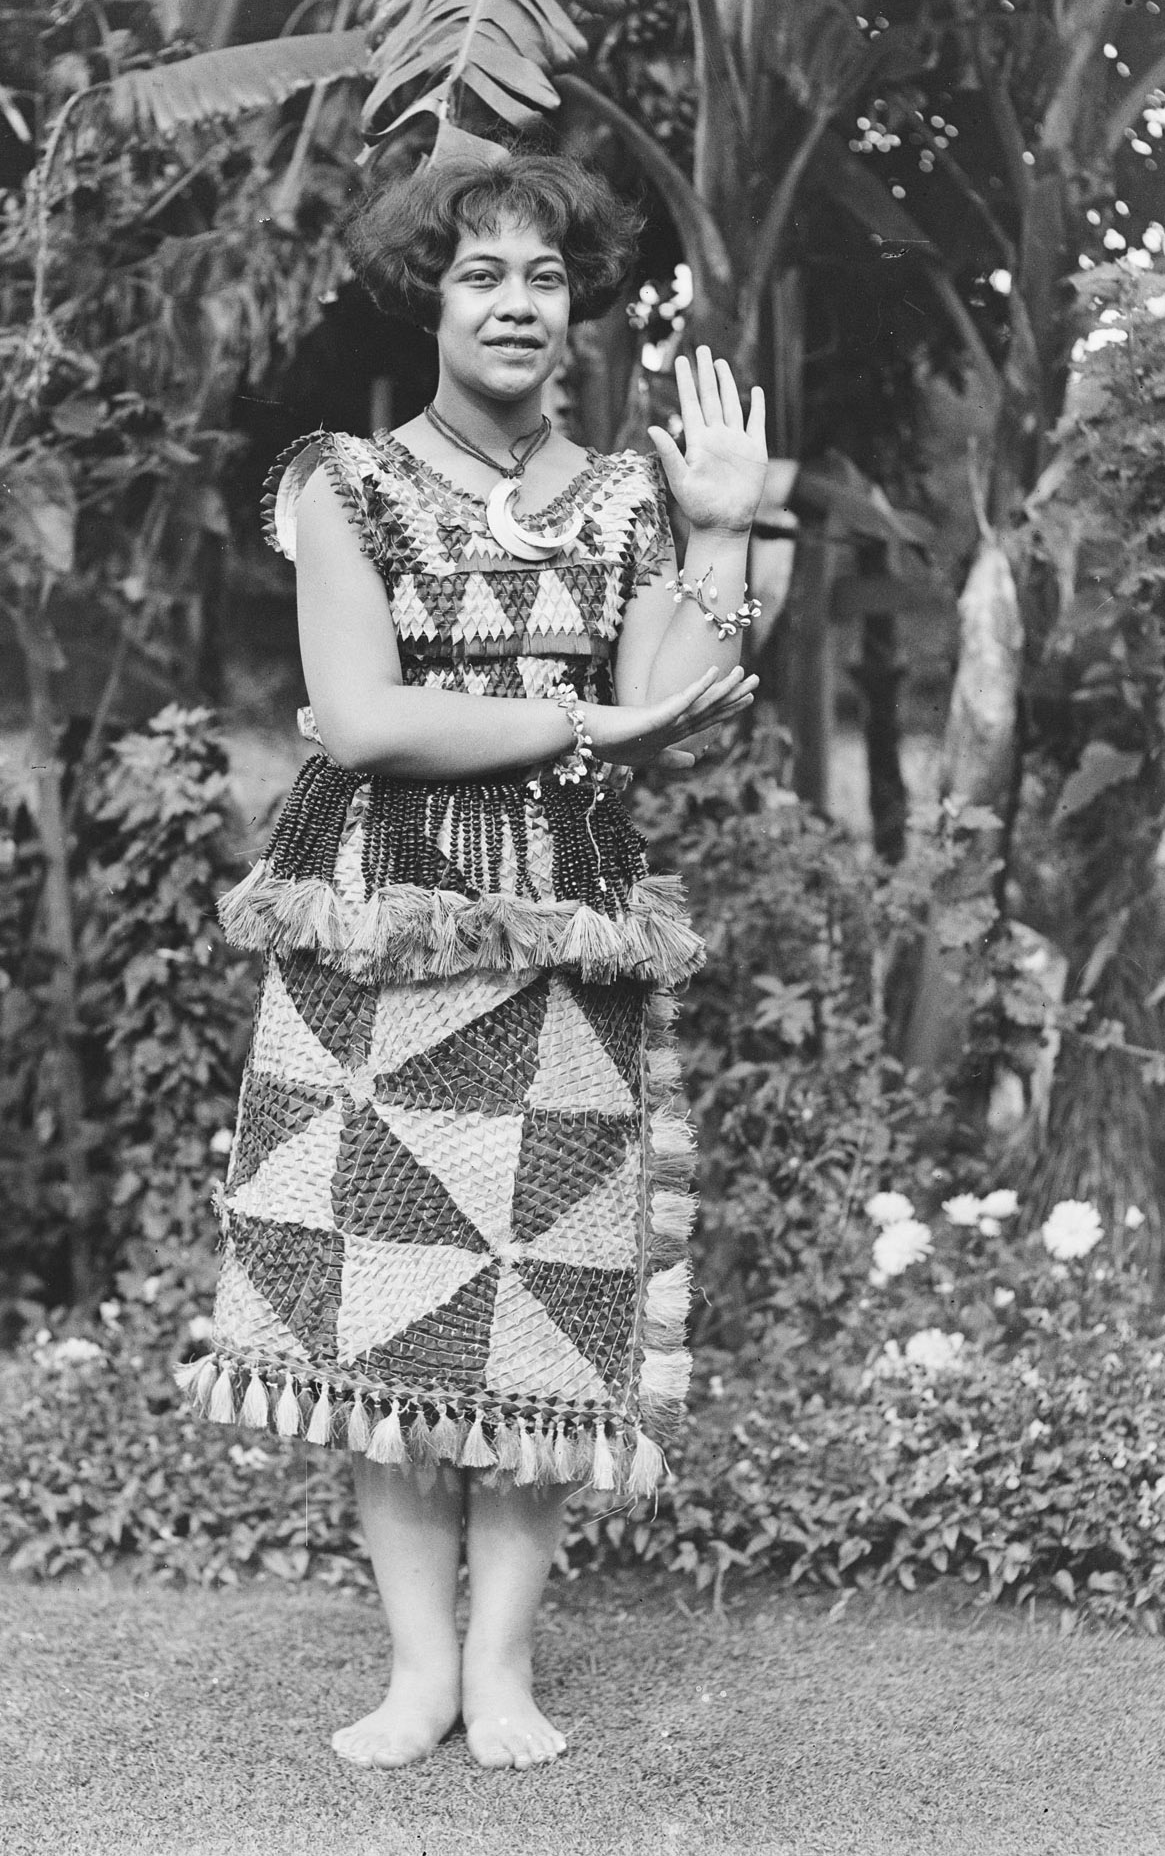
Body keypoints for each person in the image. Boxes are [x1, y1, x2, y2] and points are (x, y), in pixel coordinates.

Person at [177, 151, 767, 1772]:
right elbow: (364, 719)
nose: (518, 305)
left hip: (569, 921)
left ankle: (501, 1669)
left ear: (579, 307)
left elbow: (670, 701)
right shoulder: (346, 485)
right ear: (427, 298)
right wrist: (580, 721)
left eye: (545, 277)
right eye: (481, 274)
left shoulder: (629, 496)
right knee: (381, 1296)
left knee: (540, 1305)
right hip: (374, 924)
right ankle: (417, 1671)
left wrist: (720, 533)